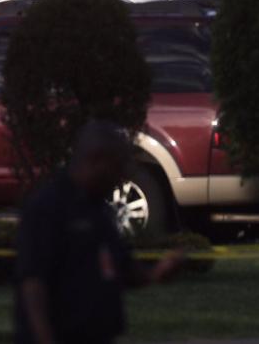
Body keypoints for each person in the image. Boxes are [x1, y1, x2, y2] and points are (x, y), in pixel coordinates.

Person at [14, 121, 183, 344]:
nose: (120, 176)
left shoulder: (99, 209)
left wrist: (157, 273)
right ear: (96, 159)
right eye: (117, 167)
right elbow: (33, 284)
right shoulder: (48, 207)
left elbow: (120, 266)